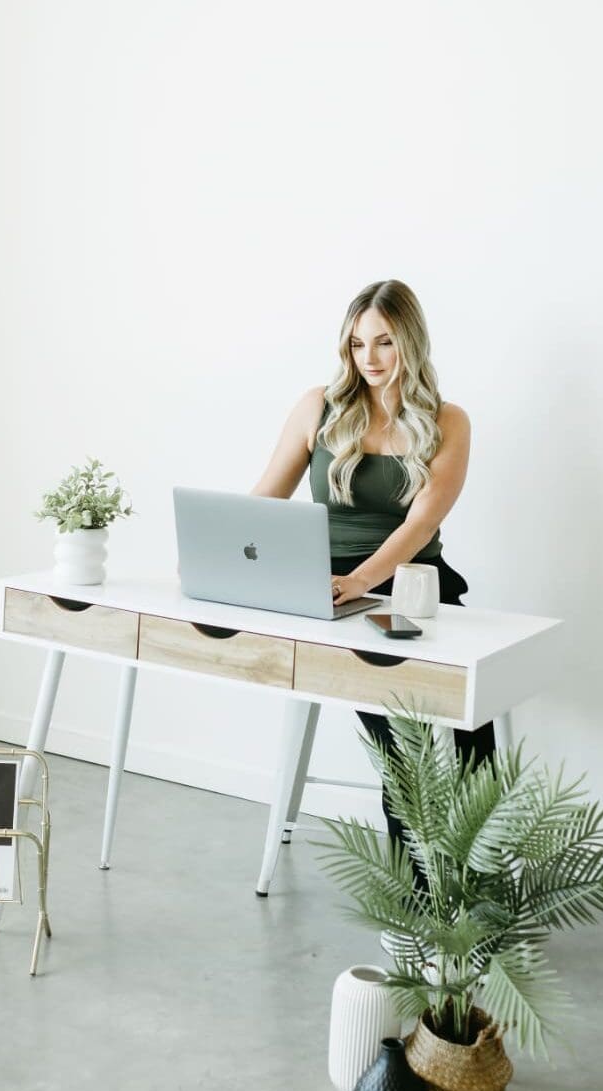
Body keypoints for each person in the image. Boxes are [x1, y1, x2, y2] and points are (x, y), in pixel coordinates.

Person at [252, 279, 495, 850]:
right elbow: (266, 498)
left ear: (410, 342)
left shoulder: (448, 421)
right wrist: (225, 550)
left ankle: (472, 881)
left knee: (471, 720)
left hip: (412, 586)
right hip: (325, 589)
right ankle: (410, 906)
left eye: (384, 343)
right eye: (358, 345)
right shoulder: (319, 406)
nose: (370, 359)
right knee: (401, 734)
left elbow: (420, 525)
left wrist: (361, 581)